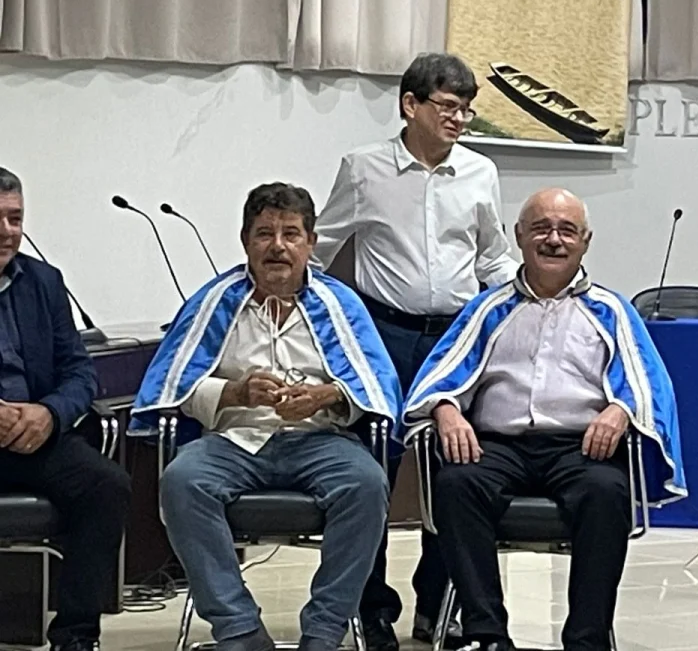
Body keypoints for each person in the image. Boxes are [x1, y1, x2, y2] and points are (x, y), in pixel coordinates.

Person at [401, 188, 686, 651]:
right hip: (496, 446)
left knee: (607, 492)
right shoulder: (488, 309)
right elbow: (439, 376)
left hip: (581, 448)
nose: (553, 240)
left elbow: (648, 384)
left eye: (567, 231)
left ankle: (587, 640)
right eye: (541, 229)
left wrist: (620, 410)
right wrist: (446, 410)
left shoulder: (612, 310)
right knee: (455, 485)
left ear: (585, 242)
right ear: (519, 237)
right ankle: (486, 635)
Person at [132, 183, 401, 651]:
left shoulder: (340, 304)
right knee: (181, 481)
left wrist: (326, 396)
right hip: (234, 441)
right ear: (245, 241)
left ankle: (324, 631)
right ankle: (238, 629)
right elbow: (176, 388)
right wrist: (235, 392)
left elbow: (376, 388)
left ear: (310, 243)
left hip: (321, 440)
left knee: (366, 484)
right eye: (264, 234)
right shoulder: (214, 302)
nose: (278, 246)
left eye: (291, 234)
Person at [312, 51, 518, 649]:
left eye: (466, 110)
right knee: (373, 471)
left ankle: (438, 604)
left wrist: (534, 295)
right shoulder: (364, 168)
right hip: (383, 334)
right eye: (448, 106)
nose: (458, 119)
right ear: (410, 105)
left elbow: (492, 257)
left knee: (456, 469)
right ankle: (372, 610)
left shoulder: (480, 172)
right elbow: (321, 250)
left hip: (456, 337)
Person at [0, 167, 131, 651]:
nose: (7, 231)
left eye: (15, 219)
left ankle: (75, 636)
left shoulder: (44, 281)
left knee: (107, 486)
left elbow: (80, 372)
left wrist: (50, 414)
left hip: (35, 436)